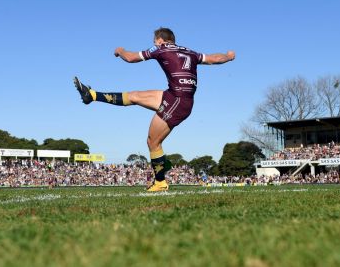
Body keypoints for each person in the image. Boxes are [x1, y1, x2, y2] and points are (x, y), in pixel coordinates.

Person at [74, 27, 235, 191]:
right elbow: (214, 58)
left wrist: (119, 50)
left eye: (154, 41)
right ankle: (92, 95)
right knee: (135, 96)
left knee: (153, 142)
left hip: (177, 101)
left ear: (160, 40)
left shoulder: (160, 48)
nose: (153, 43)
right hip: (176, 96)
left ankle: (160, 182)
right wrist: (229, 56)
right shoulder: (190, 52)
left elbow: (130, 58)